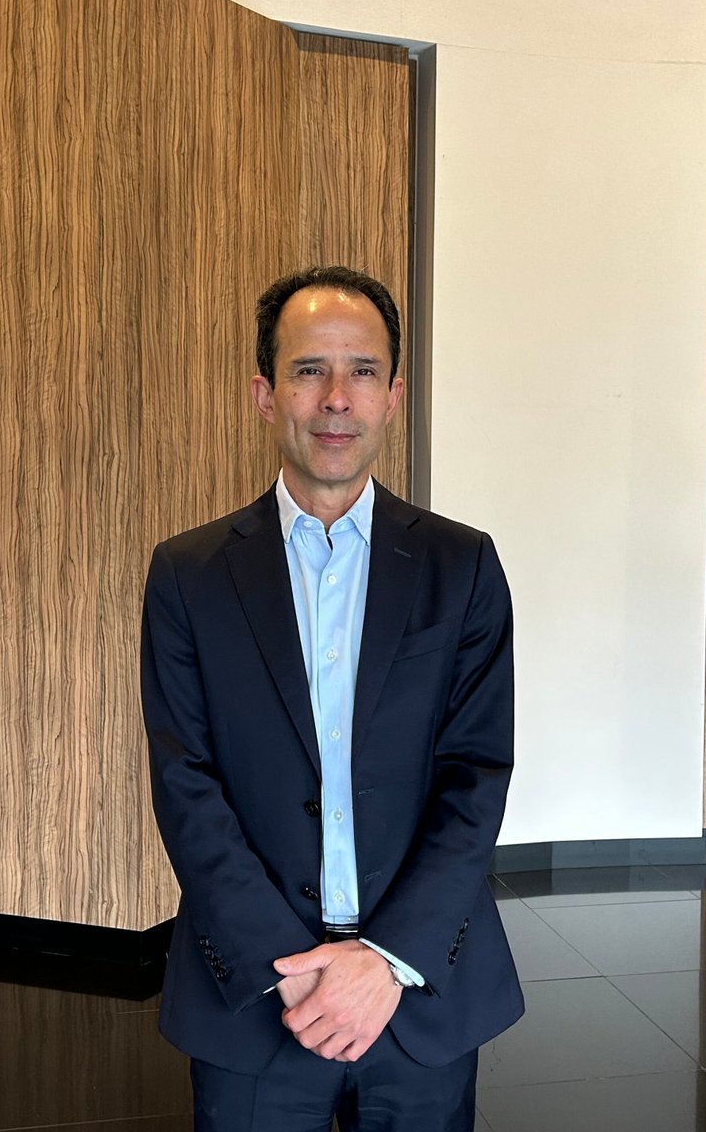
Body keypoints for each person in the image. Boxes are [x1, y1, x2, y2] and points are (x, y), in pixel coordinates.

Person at [141, 265, 523, 1131]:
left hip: (419, 989)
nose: (336, 398)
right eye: (310, 369)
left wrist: (385, 960)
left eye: (362, 371)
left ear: (393, 397)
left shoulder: (461, 567)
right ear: (265, 395)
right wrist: (287, 964)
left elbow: (475, 777)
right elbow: (184, 783)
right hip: (257, 995)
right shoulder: (189, 575)